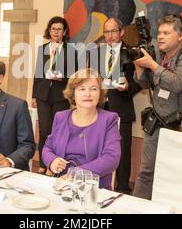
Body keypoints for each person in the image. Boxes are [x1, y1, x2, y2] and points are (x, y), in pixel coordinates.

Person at [132, 14, 182, 199]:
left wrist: (152, 65)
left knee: (176, 177)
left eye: (166, 33)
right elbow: (145, 85)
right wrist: (140, 66)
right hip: (157, 122)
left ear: (180, 36)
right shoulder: (160, 54)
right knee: (146, 173)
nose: (160, 37)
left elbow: (177, 83)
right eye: (159, 33)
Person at [42, 68, 121, 190]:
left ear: (100, 93)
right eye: (82, 89)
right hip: (61, 185)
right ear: (73, 93)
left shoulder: (109, 120)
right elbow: (48, 147)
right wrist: (52, 161)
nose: (88, 94)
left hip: (94, 189)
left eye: (93, 89)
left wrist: (74, 174)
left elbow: (111, 158)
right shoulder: (61, 117)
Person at [88, 17, 141, 193]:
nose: (110, 36)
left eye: (113, 31)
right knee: (96, 147)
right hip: (99, 108)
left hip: (121, 109)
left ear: (122, 32)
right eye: (106, 32)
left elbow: (139, 83)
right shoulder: (96, 53)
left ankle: (123, 188)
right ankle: (96, 184)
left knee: (122, 150)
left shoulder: (132, 53)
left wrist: (127, 87)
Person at [32, 16, 77, 174]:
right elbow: (38, 73)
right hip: (42, 95)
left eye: (59, 29)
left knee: (58, 131)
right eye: (53, 29)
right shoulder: (42, 49)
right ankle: (44, 164)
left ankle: (56, 164)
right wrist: (33, 95)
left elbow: (73, 76)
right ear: (49, 30)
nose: (56, 32)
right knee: (44, 130)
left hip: (60, 95)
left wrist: (61, 78)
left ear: (64, 32)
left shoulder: (71, 51)